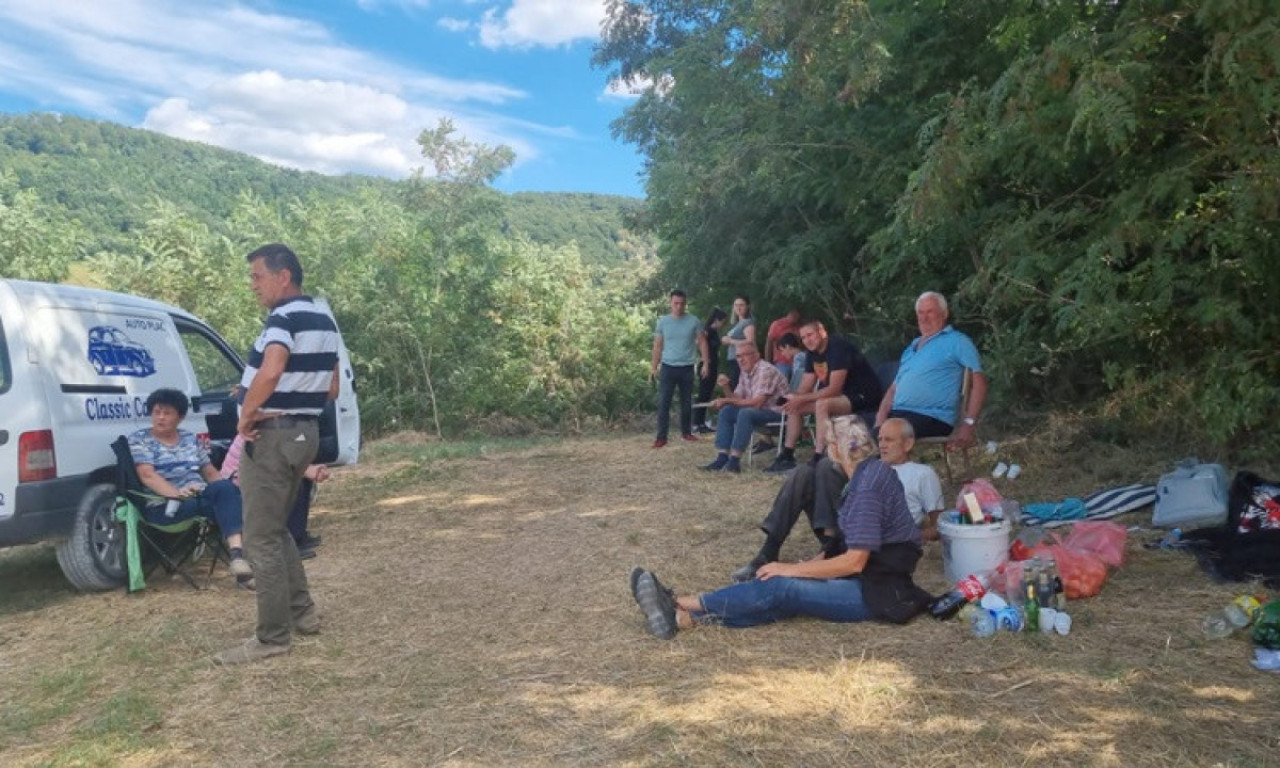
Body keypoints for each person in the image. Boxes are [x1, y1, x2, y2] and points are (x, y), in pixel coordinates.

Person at [630, 419, 932, 638]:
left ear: (838, 448)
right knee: (783, 595)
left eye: (827, 442)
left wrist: (789, 569)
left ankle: (680, 602)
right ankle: (686, 619)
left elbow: (855, 560)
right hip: (871, 580)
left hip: (876, 592)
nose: (825, 448)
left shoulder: (867, 486)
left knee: (784, 587)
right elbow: (841, 546)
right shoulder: (869, 475)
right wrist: (799, 566)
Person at [214, 243, 342, 666]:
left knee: (259, 537)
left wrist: (246, 414)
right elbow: (331, 388)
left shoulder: (283, 317)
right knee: (277, 528)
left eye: (257, 276)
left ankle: (271, 638)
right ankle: (303, 614)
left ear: (282, 275)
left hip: (271, 436)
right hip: (303, 433)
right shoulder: (323, 318)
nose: (253, 286)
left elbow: (271, 370)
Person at [731, 417, 944, 581]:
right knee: (802, 474)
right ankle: (769, 551)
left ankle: (828, 549)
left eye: (889, 440)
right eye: (879, 439)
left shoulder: (922, 473)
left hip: (873, 537)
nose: (883, 445)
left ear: (908, 444)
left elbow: (940, 525)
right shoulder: (871, 467)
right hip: (845, 526)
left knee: (824, 466)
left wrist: (910, 535)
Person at [128, 388, 251, 581]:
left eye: (167, 413)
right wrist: (178, 494)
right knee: (228, 498)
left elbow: (210, 473)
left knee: (233, 495)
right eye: (156, 412)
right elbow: (147, 475)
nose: (160, 417)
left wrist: (229, 492)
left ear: (181, 417)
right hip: (166, 505)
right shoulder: (140, 440)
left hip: (198, 498)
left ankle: (239, 557)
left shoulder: (188, 438)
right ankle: (241, 558)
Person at [763, 320, 882, 474]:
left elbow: (834, 389)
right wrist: (793, 397)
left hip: (864, 395)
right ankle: (787, 455)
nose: (807, 340)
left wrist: (802, 398)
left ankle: (819, 456)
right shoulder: (812, 354)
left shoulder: (838, 347)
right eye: (803, 338)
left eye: (810, 335)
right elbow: (806, 386)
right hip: (842, 397)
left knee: (822, 404)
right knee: (794, 406)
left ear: (822, 332)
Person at [874, 291, 987, 446]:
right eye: (920, 312)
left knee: (885, 436)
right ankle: (874, 468)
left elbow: (979, 383)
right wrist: (880, 418)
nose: (924, 318)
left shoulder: (957, 341)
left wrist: (969, 423)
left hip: (931, 417)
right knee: (850, 429)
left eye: (930, 312)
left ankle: (884, 470)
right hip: (897, 415)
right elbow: (893, 390)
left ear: (945, 313)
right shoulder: (911, 348)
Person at [221, 435, 330, 558]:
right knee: (290, 483)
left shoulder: (274, 431)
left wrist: (309, 469)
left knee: (301, 480)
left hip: (259, 478)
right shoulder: (258, 433)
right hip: (239, 485)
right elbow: (277, 462)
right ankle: (290, 545)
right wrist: (306, 470)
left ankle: (299, 536)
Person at [699, 344, 790, 474]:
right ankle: (722, 457)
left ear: (756, 356)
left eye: (745, 355)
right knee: (727, 411)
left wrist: (726, 400)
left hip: (779, 415)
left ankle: (734, 461)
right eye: (738, 356)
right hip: (760, 413)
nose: (741, 359)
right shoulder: (745, 371)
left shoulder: (766, 370)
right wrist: (726, 386)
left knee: (745, 413)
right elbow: (736, 399)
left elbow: (757, 403)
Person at [650, 290, 708, 448]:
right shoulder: (663, 322)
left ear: (685, 303)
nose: (679, 306)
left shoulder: (693, 321)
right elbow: (657, 345)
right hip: (668, 366)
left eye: (682, 303)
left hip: (687, 366)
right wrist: (653, 367)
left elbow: (702, 342)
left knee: (686, 401)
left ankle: (686, 432)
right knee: (664, 402)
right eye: (676, 303)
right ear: (670, 303)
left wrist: (706, 362)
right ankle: (661, 437)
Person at [693, 308, 729, 434]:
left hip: (713, 365)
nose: (722, 325)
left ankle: (701, 421)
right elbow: (699, 342)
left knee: (707, 394)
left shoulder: (715, 332)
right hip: (706, 365)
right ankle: (697, 423)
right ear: (717, 320)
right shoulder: (708, 330)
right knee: (703, 393)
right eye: (722, 322)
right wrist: (705, 362)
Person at [720, 295, 756, 391]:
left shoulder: (748, 322)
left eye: (741, 305)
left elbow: (750, 341)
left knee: (736, 388)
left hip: (741, 360)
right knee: (733, 386)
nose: (738, 308)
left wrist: (731, 341)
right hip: (732, 359)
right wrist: (726, 340)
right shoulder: (737, 323)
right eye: (736, 305)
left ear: (747, 306)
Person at [764, 308, 802, 381]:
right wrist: (768, 363)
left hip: (797, 360)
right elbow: (769, 343)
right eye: (794, 315)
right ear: (789, 314)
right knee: (781, 382)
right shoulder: (777, 324)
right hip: (782, 362)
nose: (796, 318)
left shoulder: (799, 325)